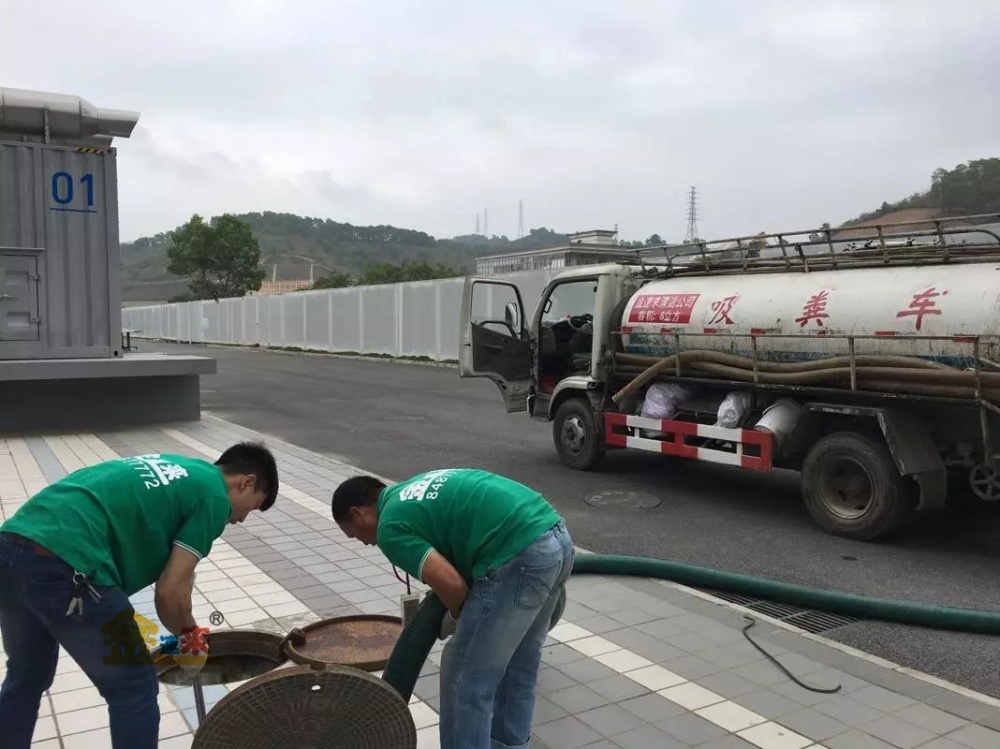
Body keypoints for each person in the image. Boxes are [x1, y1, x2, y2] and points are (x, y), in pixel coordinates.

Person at [0, 441, 279, 749]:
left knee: (27, 675)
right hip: (71, 563)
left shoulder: (185, 469)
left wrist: (183, 610)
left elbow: (178, 577)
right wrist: (190, 637)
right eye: (250, 508)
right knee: (133, 686)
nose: (240, 519)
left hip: (12, 545)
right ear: (246, 482)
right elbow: (169, 593)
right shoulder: (215, 497)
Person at [331, 468, 574, 749]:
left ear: (358, 514)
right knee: (519, 664)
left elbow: (452, 584)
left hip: (518, 555)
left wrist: (459, 616)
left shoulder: (389, 527)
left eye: (353, 534)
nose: (363, 542)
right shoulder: (410, 491)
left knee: (463, 676)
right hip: (555, 538)